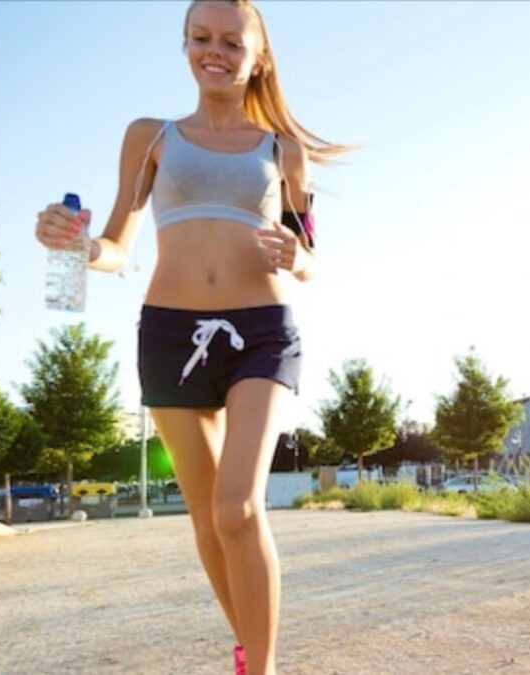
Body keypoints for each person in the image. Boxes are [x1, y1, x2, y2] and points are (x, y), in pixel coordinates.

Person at [34, 2, 347, 673]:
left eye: (232, 41)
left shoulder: (283, 151)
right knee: (207, 520)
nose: (216, 51)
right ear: (184, 47)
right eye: (201, 38)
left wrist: (296, 257)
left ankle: (259, 668)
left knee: (238, 506)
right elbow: (119, 243)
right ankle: (251, 648)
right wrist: (81, 245)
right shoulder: (150, 137)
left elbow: (313, 257)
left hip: (262, 332)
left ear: (257, 54)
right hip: (171, 334)